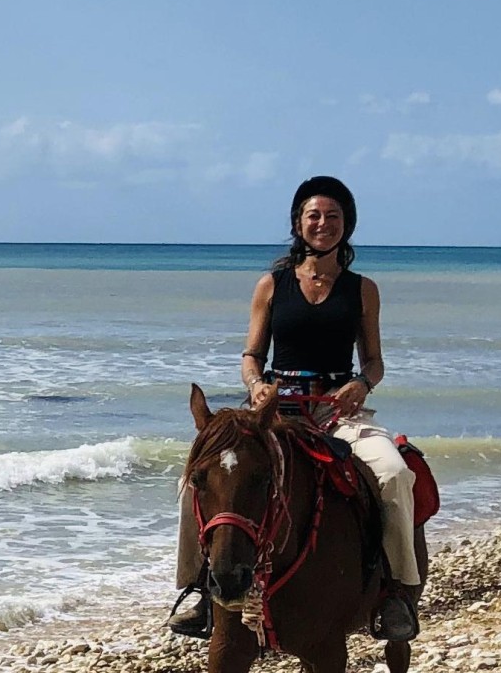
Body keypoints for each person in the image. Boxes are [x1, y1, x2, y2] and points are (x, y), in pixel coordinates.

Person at [170, 175, 422, 642]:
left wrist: (361, 384)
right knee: (198, 476)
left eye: (333, 216)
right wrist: (256, 384)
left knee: (392, 473)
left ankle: (396, 592)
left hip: (336, 411)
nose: (323, 223)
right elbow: (251, 355)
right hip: (275, 411)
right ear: (298, 223)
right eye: (314, 215)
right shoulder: (271, 284)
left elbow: (374, 360)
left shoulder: (363, 289)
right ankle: (198, 589)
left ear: (347, 225)